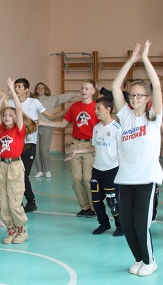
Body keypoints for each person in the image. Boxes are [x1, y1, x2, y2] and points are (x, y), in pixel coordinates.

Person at [113, 40, 163, 277]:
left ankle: (150, 261)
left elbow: (157, 85)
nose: (134, 99)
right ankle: (139, 259)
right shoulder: (125, 116)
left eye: (139, 96)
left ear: (147, 97)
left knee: (141, 224)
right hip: (125, 178)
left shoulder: (153, 117)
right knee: (127, 224)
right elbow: (115, 86)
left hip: (146, 178)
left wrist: (144, 59)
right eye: (132, 95)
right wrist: (130, 61)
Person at [64, 96, 122, 236]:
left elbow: (122, 151)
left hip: (112, 170)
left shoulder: (117, 128)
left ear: (108, 109)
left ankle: (121, 226)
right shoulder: (96, 128)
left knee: (113, 201)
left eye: (98, 109)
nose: (95, 111)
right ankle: (104, 224)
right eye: (95, 108)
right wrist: (76, 151)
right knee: (96, 200)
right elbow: (94, 147)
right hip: (97, 170)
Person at [41, 80, 98, 217]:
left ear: (93, 91)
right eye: (82, 88)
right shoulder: (74, 106)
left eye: (87, 88)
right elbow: (62, 124)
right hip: (76, 144)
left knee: (87, 178)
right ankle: (84, 206)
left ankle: (95, 207)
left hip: (91, 145)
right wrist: (42, 122)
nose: (83, 91)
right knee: (77, 178)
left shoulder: (96, 107)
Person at [0, 78, 30, 244]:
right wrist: (4, 96)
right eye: (5, 115)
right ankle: (11, 230)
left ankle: (22, 230)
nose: (6, 116)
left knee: (15, 202)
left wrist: (12, 92)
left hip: (15, 166)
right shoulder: (1, 130)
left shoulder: (18, 131)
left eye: (10, 115)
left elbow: (18, 108)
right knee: (4, 203)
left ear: (15, 119)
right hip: (1, 166)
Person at [10, 78, 46, 212]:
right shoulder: (10, 102)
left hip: (29, 144)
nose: (16, 89)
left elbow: (50, 116)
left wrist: (65, 116)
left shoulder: (33, 102)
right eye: (15, 87)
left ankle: (31, 201)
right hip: (15, 144)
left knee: (23, 175)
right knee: (14, 175)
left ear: (26, 90)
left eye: (19, 87)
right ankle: (17, 202)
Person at [32, 82, 77, 178]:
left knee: (44, 150)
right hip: (34, 128)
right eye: (38, 88)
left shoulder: (51, 99)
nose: (40, 90)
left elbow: (63, 97)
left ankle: (47, 170)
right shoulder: (32, 100)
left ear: (45, 90)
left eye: (42, 88)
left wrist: (75, 94)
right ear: (36, 90)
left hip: (46, 127)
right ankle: (39, 170)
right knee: (35, 151)